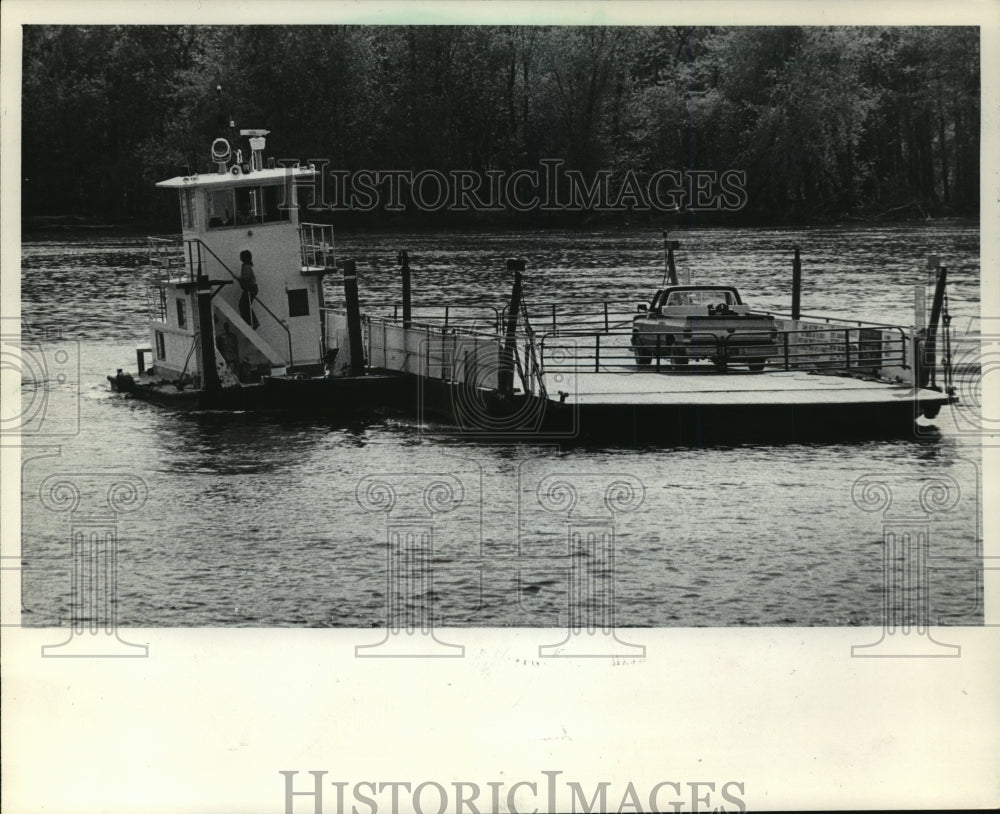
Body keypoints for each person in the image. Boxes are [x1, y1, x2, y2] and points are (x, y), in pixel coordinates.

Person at [238, 249, 260, 329]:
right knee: (244, 305)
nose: (240, 257)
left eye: (241, 256)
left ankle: (253, 322)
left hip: (251, 288)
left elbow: (246, 277)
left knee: (243, 305)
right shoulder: (246, 266)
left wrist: (239, 278)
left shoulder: (246, 266)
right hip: (251, 288)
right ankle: (252, 322)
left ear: (243, 258)